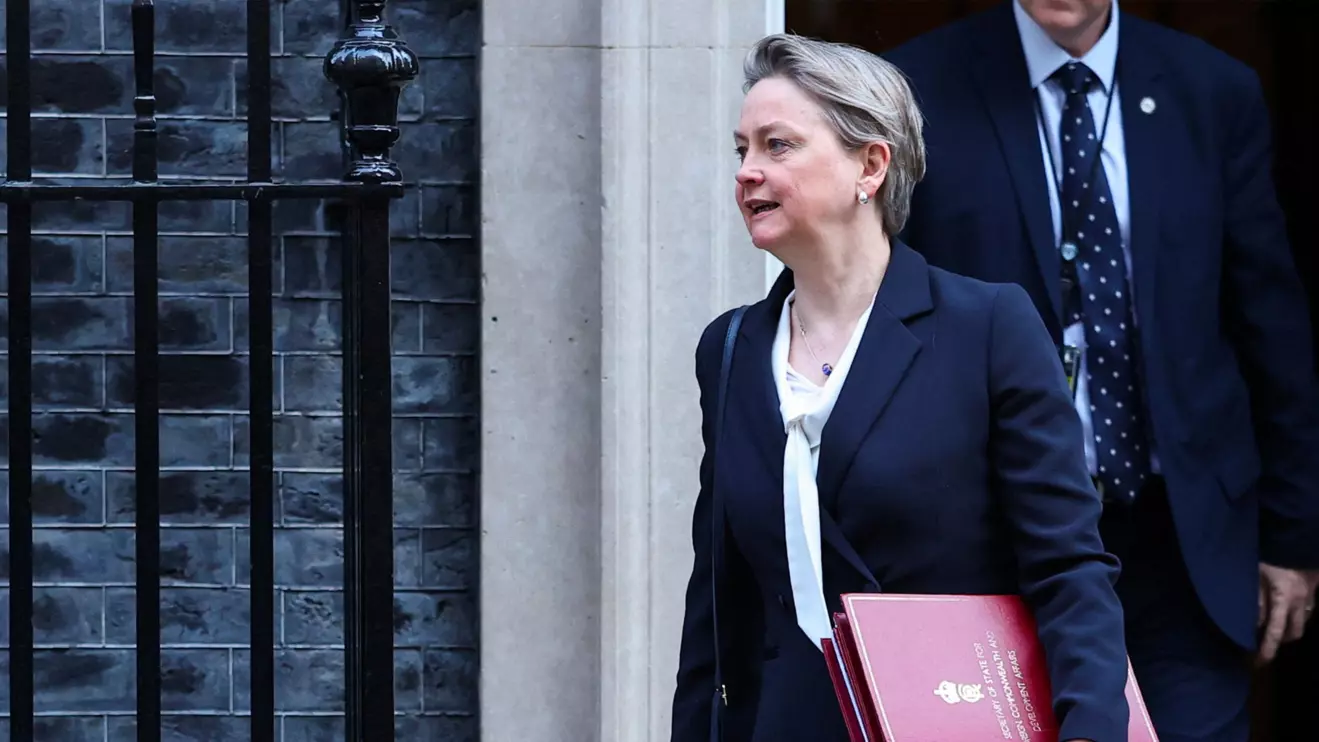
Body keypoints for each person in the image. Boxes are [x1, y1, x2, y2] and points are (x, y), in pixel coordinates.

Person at [670, 33, 1128, 742]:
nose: (747, 172)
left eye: (777, 145)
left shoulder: (987, 327)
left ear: (870, 165)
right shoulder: (729, 349)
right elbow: (718, 605)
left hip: (952, 718)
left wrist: (1089, 730)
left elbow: (1067, 567)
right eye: (741, 150)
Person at [883, 2, 1319, 740]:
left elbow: (1266, 324)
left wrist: (1290, 536)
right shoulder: (917, 87)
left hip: (1179, 536)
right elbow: (889, 316)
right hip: (995, 535)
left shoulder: (1210, 91)